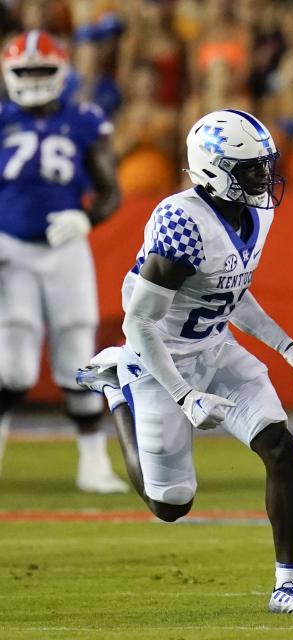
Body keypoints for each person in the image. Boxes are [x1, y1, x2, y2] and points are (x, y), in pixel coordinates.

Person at [75, 109, 293, 614]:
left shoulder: (257, 213)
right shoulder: (181, 221)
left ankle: (287, 585)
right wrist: (184, 395)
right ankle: (117, 387)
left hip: (215, 347)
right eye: (253, 168)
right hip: (157, 357)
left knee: (279, 445)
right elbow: (138, 324)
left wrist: (287, 347)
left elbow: (234, 293)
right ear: (214, 169)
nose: (266, 177)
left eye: (265, 164)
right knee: (171, 504)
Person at [0, 30, 125, 493]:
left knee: (78, 354)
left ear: (62, 72)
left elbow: (112, 190)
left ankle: (92, 463)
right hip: (9, 249)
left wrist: (86, 217)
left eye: (41, 70)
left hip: (66, 249)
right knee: (13, 368)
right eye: (24, 71)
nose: (33, 79)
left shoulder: (84, 119)